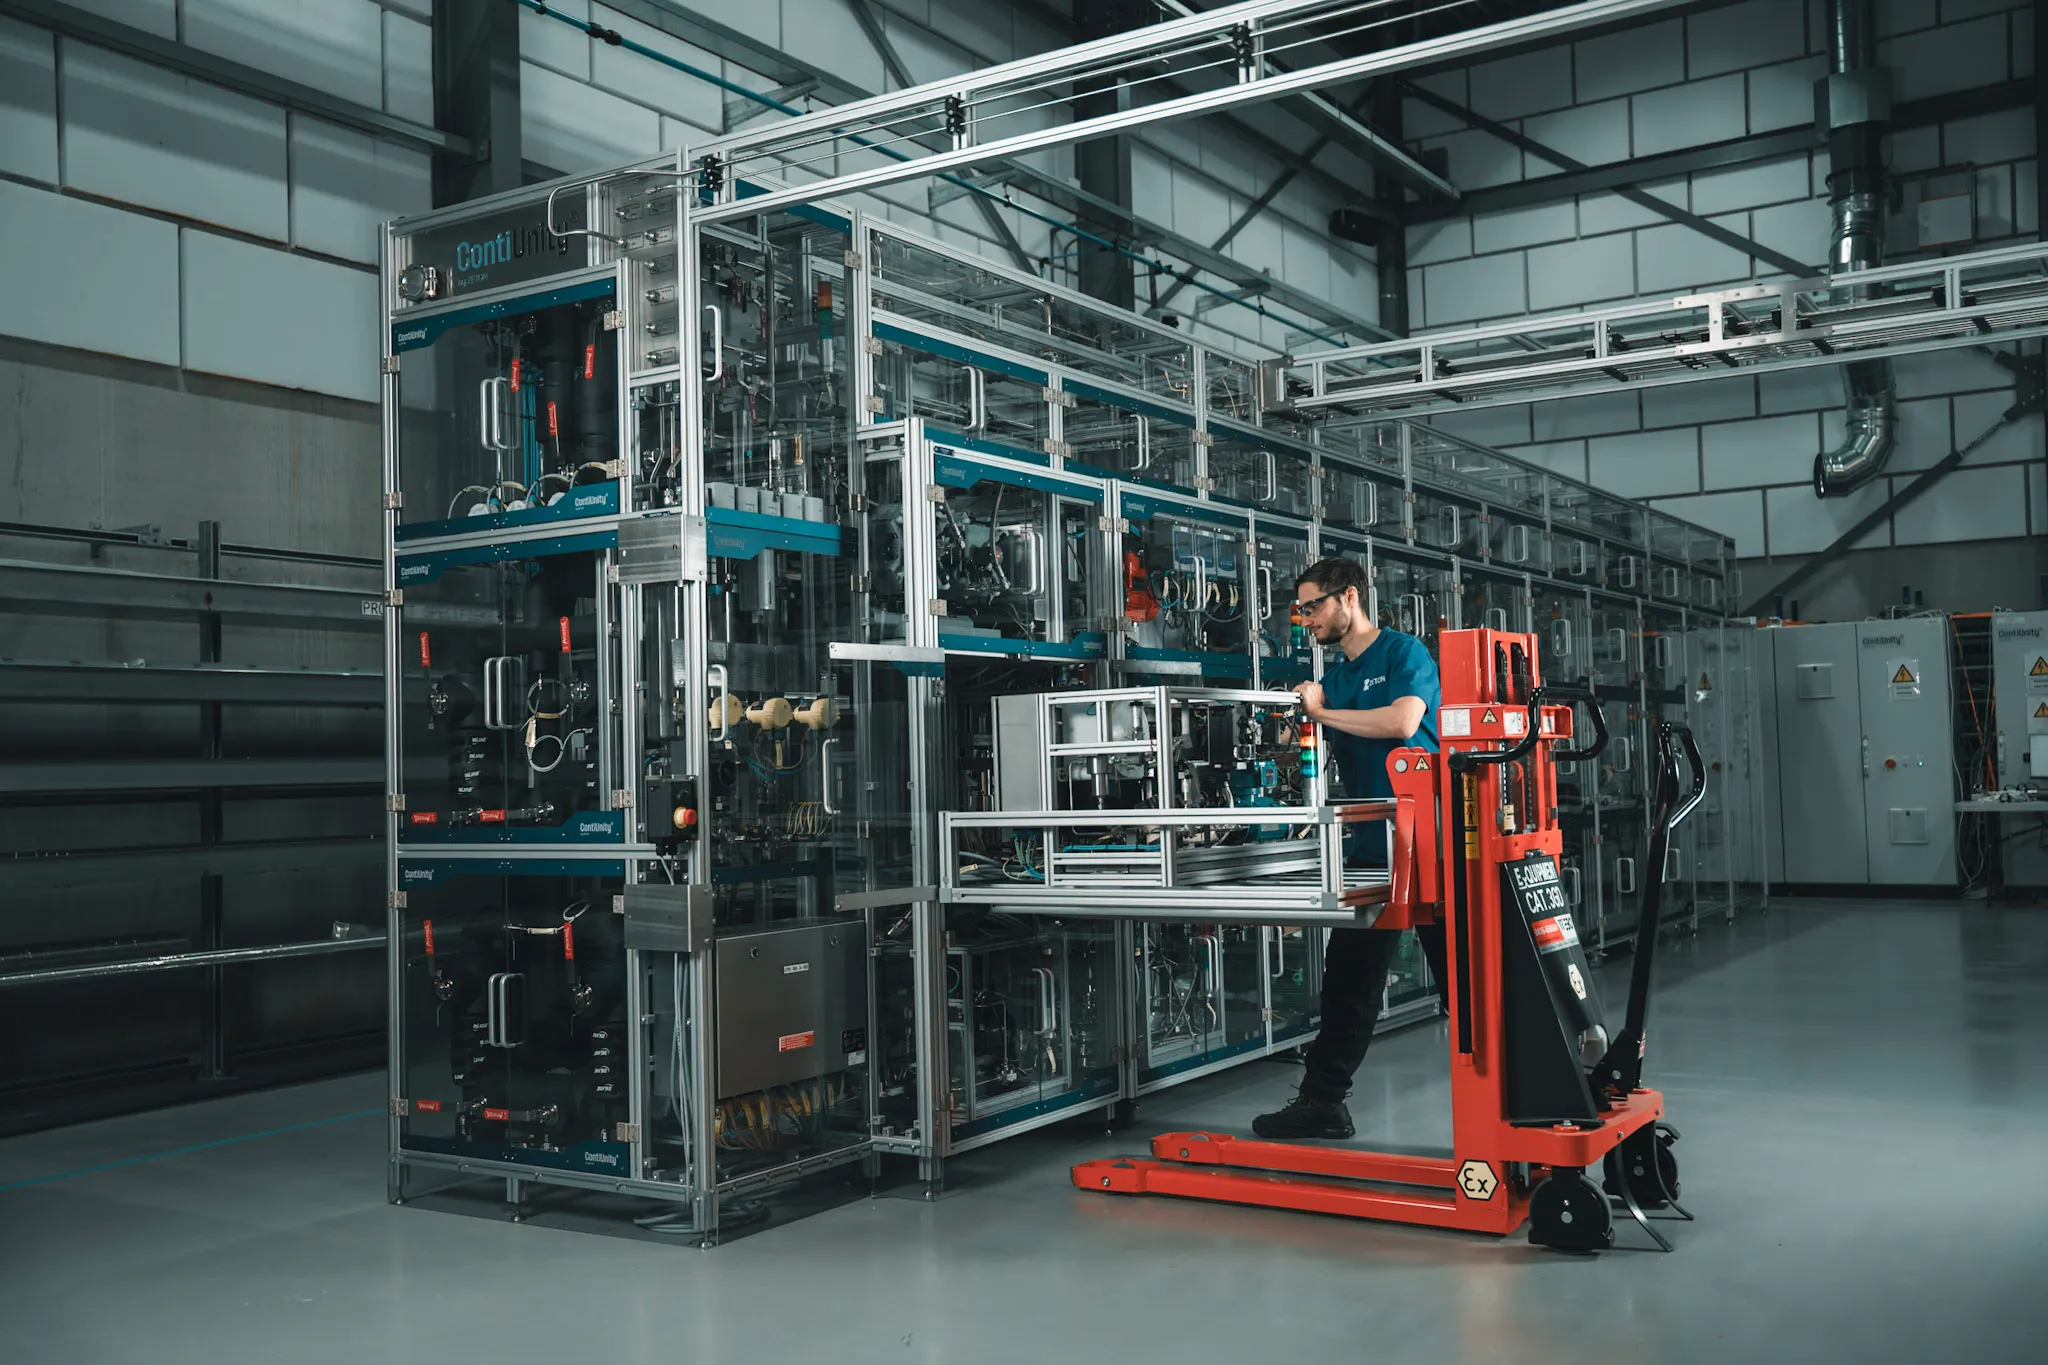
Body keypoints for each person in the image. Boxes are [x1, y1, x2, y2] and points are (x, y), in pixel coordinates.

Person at [1253, 556, 1448, 1141]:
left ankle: (1516, 1094)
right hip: (1371, 844)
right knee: (1350, 980)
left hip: (1430, 841)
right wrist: (1294, 726)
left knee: (1465, 978)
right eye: (1300, 610)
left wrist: (1323, 711)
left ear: (1350, 598)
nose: (1305, 619)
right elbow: (1308, 747)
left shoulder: (1402, 653)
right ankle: (1323, 1101)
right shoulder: (1332, 681)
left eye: (1312, 606)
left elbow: (1402, 722)